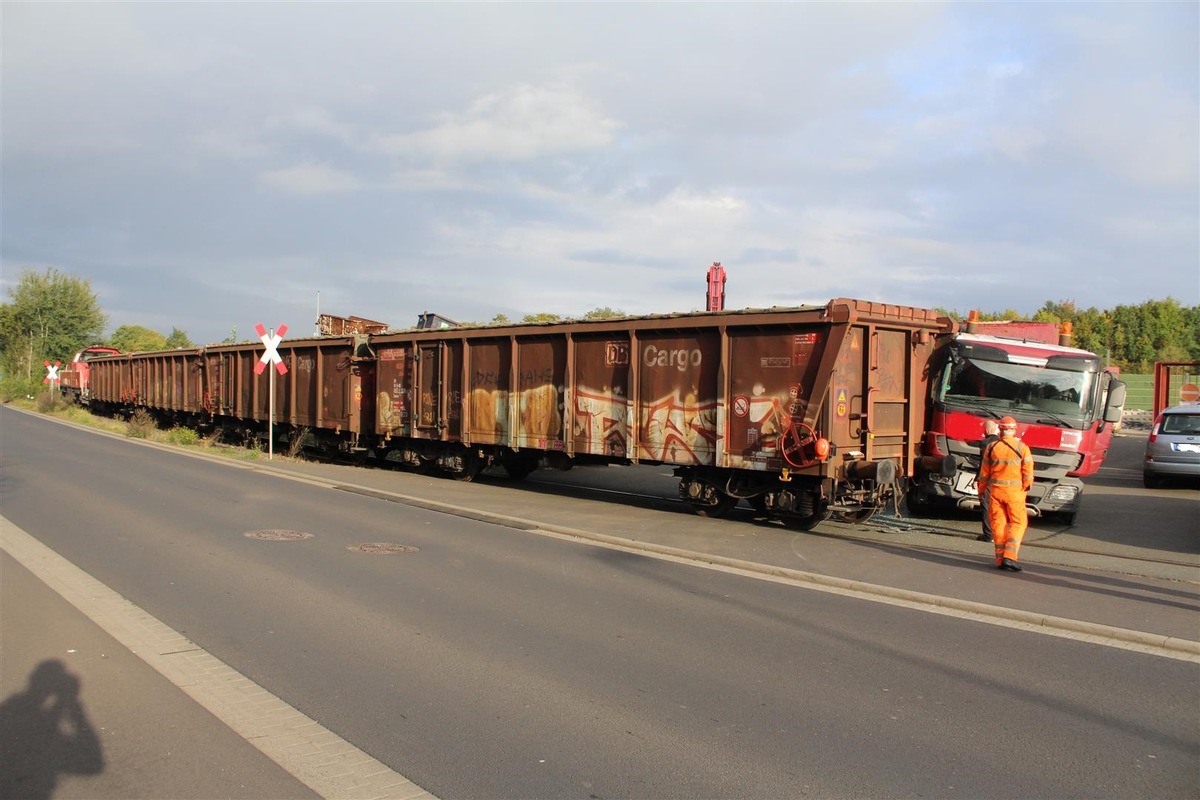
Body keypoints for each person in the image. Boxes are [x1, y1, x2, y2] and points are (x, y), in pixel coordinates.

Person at [978, 416, 1034, 571]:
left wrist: (981, 492)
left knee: (998, 524)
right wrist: (1024, 487)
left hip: (996, 492)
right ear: (1014, 429)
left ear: (1000, 430)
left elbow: (984, 474)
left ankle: (1000, 559)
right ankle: (1009, 557)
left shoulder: (992, 447)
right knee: (1018, 523)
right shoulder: (1022, 448)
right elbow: (1028, 474)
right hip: (1015, 493)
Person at [975, 419, 1000, 542]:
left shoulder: (985, 443)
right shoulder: (1002, 444)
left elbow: (983, 464)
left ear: (986, 431)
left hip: (988, 479)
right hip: (1002, 479)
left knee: (986, 504)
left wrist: (976, 479)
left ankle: (988, 534)